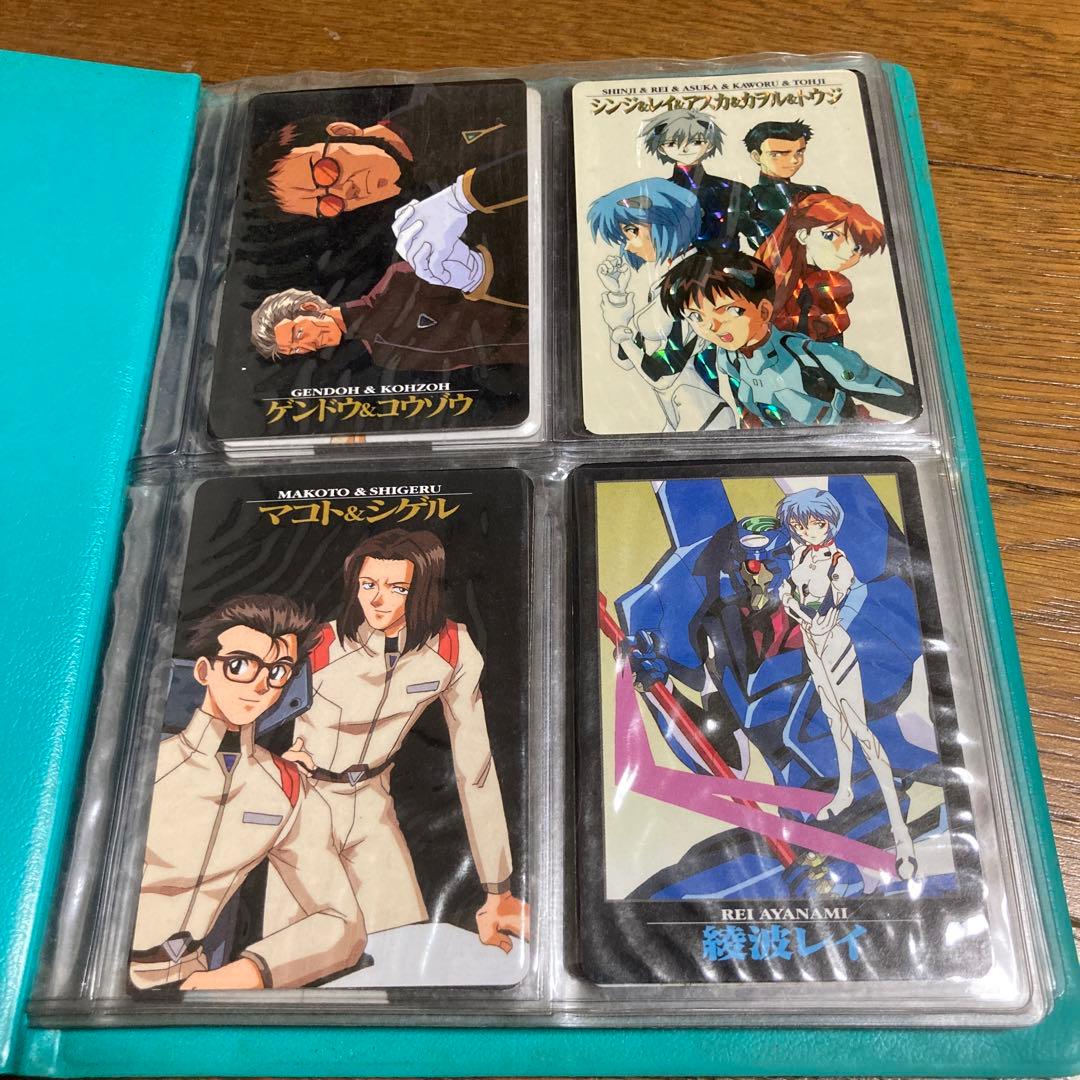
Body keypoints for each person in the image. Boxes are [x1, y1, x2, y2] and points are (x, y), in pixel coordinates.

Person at [268, 528, 528, 953]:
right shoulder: (317, 645)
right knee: (294, 961)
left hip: (373, 809)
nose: (377, 599)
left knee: (403, 953)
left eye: (397, 588)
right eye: (368, 584)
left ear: (423, 591)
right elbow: (232, 716)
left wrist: (497, 889)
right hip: (305, 810)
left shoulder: (452, 649)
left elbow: (476, 769)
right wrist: (272, 768)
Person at [131, 594, 366, 991]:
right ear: (204, 670)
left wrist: (246, 975)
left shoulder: (288, 789)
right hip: (106, 977)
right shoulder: (143, 768)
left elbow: (342, 924)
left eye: (278, 672)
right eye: (240, 665)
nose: (259, 685)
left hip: (197, 982)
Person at [775, 489, 916, 879]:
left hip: (835, 647)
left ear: (829, 523)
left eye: (815, 523)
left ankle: (901, 835)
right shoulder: (800, 555)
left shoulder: (839, 563)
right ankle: (845, 791)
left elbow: (822, 608)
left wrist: (797, 604)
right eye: (799, 524)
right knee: (834, 722)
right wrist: (794, 602)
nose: (807, 530)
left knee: (860, 730)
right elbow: (790, 596)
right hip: (813, 648)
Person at [659, 250, 910, 425]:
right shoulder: (728, 357)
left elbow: (897, 397)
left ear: (764, 310)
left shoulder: (809, 356)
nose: (712, 325)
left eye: (731, 310)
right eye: (695, 316)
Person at [586, 178, 733, 431]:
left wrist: (621, 331)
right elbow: (626, 360)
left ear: (666, 222)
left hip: (703, 415)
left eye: (632, 231)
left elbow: (663, 374)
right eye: (624, 235)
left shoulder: (693, 281)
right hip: (677, 416)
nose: (628, 245)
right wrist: (618, 296)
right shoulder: (663, 283)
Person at [249, 261, 528, 370]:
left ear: (311, 309)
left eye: (298, 334)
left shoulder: (400, 280)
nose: (306, 346)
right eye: (295, 349)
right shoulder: (383, 357)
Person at [755, 193, 886, 344]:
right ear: (803, 235)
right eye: (830, 236)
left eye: (857, 247)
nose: (848, 251)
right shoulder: (782, 277)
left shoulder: (828, 284)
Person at [639, 109, 755, 253]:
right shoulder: (657, 193)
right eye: (672, 143)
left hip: (728, 263)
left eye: (696, 142)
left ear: (709, 144)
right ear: (661, 148)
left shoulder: (732, 189)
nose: (685, 149)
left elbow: (754, 235)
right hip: (677, 263)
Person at [742, 119, 828, 242]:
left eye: (799, 152)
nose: (794, 160)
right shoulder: (750, 198)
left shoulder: (816, 192)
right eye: (778, 154)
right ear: (756, 156)